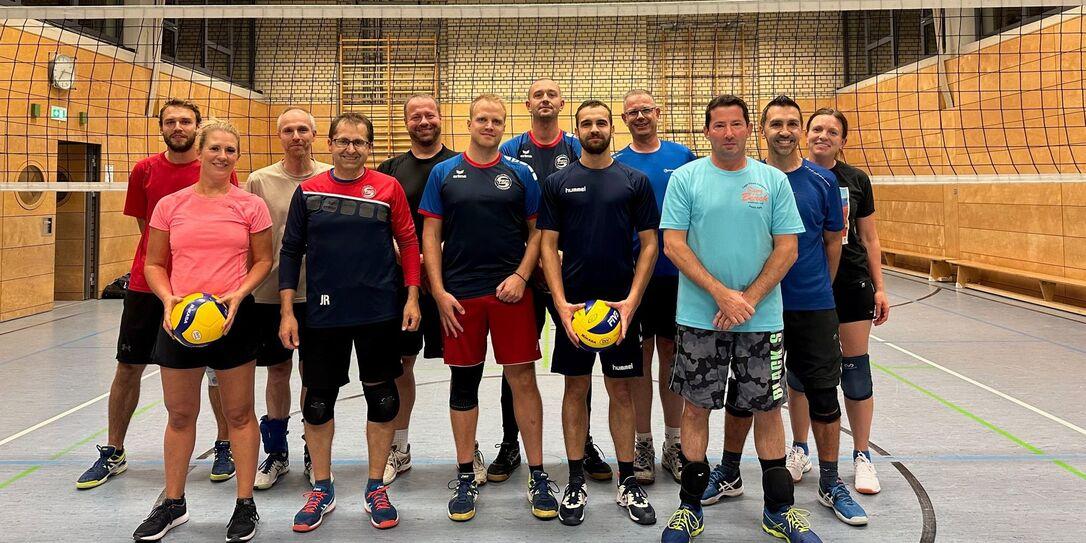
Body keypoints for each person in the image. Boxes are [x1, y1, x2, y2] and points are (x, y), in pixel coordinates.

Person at [659, 95, 821, 543]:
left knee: (768, 410)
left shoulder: (772, 181)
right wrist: (720, 295)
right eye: (719, 125)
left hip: (761, 320)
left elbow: (787, 247)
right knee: (696, 408)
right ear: (707, 131)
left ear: (748, 129)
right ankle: (689, 510)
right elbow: (673, 244)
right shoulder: (687, 179)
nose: (728, 133)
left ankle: (779, 511)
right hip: (700, 317)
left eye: (736, 124)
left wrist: (745, 300)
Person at [707, 96, 867, 527]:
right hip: (754, 307)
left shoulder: (822, 182)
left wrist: (817, 287)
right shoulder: (747, 177)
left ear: (800, 130)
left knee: (821, 393)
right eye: (775, 123)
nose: (784, 130)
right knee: (745, 395)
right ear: (762, 129)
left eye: (792, 123)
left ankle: (831, 482)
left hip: (811, 305)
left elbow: (834, 242)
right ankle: (728, 472)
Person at [78, 99, 237, 490]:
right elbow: (146, 227)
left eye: (186, 121)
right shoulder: (144, 170)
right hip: (147, 286)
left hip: (205, 287)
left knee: (216, 371)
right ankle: (114, 450)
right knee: (128, 366)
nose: (178, 127)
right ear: (161, 127)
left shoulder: (216, 168)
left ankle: (224, 445)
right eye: (171, 121)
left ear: (198, 128)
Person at [132, 118, 272, 543]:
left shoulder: (249, 205)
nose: (222, 156)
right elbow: (154, 263)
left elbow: (263, 261)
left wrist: (236, 296)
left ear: (237, 157)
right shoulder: (171, 205)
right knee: (179, 415)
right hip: (180, 321)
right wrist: (169, 300)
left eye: (231, 150)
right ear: (200, 151)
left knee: (239, 414)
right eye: (215, 148)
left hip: (232, 318)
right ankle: (173, 503)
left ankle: (244, 504)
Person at [419, 93, 557, 522]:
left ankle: (537, 474)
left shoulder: (519, 173)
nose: (490, 126)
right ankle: (464, 474)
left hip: (511, 295)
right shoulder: (444, 172)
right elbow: (430, 236)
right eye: (482, 119)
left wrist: (520, 276)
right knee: (464, 384)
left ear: (503, 126)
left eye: (497, 121)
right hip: (460, 297)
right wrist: (438, 292)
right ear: (469, 122)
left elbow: (539, 234)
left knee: (522, 380)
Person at [280, 112, 420, 532]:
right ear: (330, 144)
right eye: (343, 141)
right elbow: (290, 251)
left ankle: (376, 487)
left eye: (359, 142)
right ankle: (322, 488)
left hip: (379, 310)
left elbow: (409, 243)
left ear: (368, 147)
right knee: (317, 403)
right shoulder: (309, 191)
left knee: (383, 400)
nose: (350, 149)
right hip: (323, 314)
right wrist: (287, 311)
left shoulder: (388, 188)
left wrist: (411, 297)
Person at [539, 100, 659, 527]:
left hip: (618, 309)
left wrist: (632, 300)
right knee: (575, 389)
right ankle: (575, 480)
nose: (594, 128)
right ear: (577, 130)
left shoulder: (634, 180)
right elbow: (547, 245)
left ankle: (628, 480)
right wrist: (560, 303)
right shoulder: (558, 182)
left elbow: (650, 244)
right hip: (575, 308)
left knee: (622, 391)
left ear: (612, 128)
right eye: (587, 123)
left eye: (601, 122)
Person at [495, 78, 611, 484]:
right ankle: (511, 442)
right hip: (524, 276)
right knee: (517, 364)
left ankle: (587, 441)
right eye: (537, 94)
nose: (545, 100)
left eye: (552, 94)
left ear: (562, 103)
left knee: (583, 359)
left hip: (572, 278)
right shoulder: (510, 151)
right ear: (527, 102)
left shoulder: (578, 148)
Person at [802, 107, 890, 495]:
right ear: (806, 134)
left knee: (855, 369)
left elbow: (869, 238)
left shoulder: (856, 179)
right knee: (801, 369)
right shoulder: (787, 175)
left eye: (832, 131)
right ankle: (800, 448)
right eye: (817, 129)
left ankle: (862, 455)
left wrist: (880, 286)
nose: (823, 135)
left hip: (851, 280)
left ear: (843, 140)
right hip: (805, 280)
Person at [613, 89, 698, 485]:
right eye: (633, 112)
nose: (640, 116)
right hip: (633, 278)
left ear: (658, 113)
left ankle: (674, 442)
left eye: (645, 110)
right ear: (624, 120)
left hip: (676, 276)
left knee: (672, 356)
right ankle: (642, 442)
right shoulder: (616, 164)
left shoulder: (683, 158)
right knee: (637, 360)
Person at [245, 107, 332, 490]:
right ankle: (276, 453)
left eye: (302, 129)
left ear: (314, 134)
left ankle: (314, 454)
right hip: (268, 294)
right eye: (288, 130)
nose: (296, 136)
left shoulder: (330, 176)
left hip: (318, 293)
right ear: (278, 136)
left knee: (314, 375)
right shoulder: (259, 180)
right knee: (278, 371)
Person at [377, 94, 459, 485]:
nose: (423, 121)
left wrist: (437, 252)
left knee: (464, 365)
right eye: (415, 116)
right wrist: (407, 253)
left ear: (440, 119)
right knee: (401, 366)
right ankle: (400, 446)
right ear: (407, 122)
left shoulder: (461, 165)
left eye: (430, 114)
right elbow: (381, 223)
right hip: (403, 282)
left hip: (451, 282)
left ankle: (467, 447)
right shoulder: (390, 170)